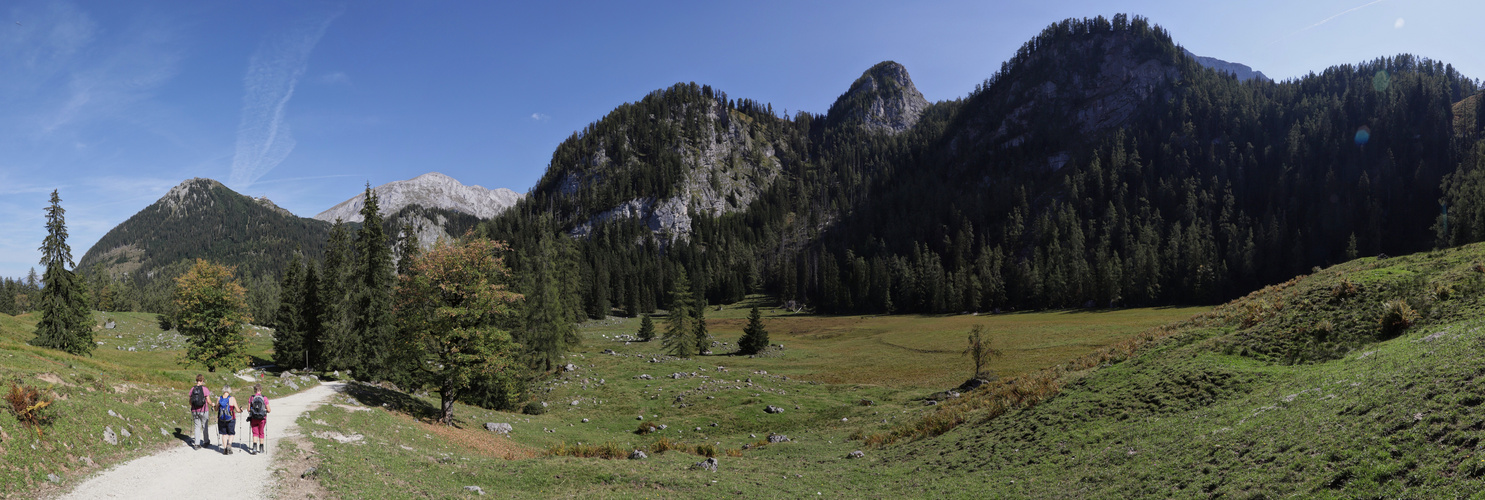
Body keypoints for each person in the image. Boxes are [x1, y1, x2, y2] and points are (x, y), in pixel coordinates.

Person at [187, 374, 213, 450]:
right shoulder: (205, 389)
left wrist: (194, 407)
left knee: (197, 427)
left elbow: (190, 402)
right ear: (202, 381)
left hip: (194, 411)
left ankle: (197, 444)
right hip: (204, 410)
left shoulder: (192, 389)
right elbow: (208, 401)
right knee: (204, 426)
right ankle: (206, 441)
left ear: (196, 380)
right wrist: (212, 404)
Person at [245, 384, 271, 455]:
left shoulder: (251, 398)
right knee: (261, 432)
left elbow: (248, 409)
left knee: (255, 432)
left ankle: (254, 448)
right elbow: (269, 410)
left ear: (254, 390)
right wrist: (264, 410)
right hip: (262, 418)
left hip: (254, 418)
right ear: (261, 390)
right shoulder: (264, 398)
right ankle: (261, 448)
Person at [217, 385, 242, 455]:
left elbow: (216, 409)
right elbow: (237, 410)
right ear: (229, 391)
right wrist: (241, 410)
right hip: (231, 419)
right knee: (231, 433)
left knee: (224, 434)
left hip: (221, 419)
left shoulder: (219, 398)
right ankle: (229, 445)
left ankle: (225, 449)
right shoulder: (232, 399)